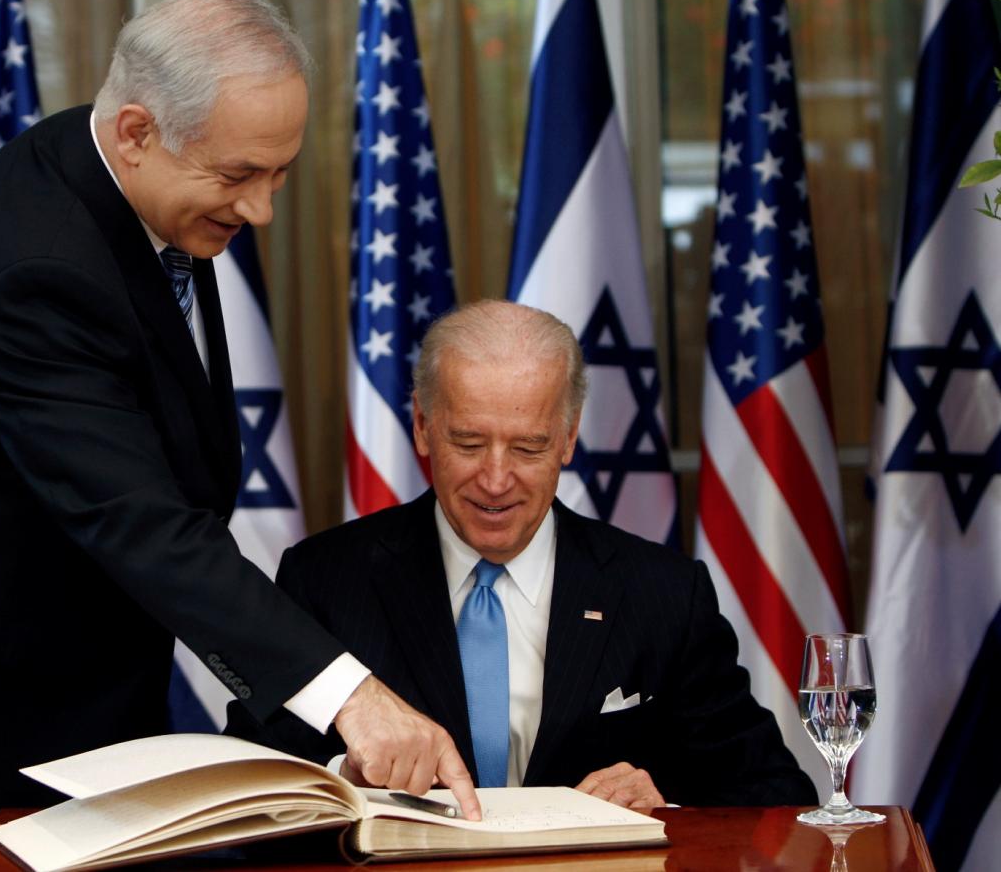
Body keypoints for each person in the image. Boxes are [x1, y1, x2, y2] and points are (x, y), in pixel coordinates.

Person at [0, 0, 477, 868]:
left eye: (279, 173)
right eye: (237, 177)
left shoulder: (136, 179)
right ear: (137, 131)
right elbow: (138, 520)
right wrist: (349, 695)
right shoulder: (32, 270)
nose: (261, 210)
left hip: (81, 711)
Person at [226, 300, 816, 808]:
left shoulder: (662, 593)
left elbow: (776, 794)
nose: (496, 479)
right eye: (469, 442)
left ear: (567, 438)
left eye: (529, 447)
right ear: (423, 427)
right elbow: (249, 784)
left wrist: (664, 798)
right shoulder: (325, 580)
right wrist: (346, 781)